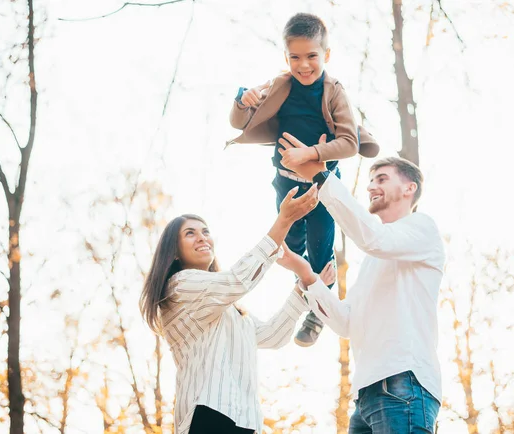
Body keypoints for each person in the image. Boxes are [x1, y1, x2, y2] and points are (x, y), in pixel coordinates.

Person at [228, 12, 379, 347]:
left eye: (312, 56)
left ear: (326, 54)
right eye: (295, 57)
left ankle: (320, 309)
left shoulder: (333, 92)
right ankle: (305, 286)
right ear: (286, 57)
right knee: (291, 248)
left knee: (321, 248)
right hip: (285, 183)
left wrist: (311, 154)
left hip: (322, 185)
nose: (304, 65)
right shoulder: (280, 85)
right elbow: (240, 122)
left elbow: (350, 142)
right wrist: (243, 100)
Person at [278, 132, 446, 433]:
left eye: (381, 179)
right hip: (367, 395)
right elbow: (346, 323)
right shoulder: (374, 259)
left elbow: (373, 238)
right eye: (370, 181)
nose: (371, 186)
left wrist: (320, 176)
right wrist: (305, 273)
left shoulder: (422, 229)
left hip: (404, 385)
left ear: (410, 188)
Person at [139, 184, 335, 434]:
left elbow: (272, 336)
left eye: (205, 231)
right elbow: (237, 281)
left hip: (243, 418)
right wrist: (283, 221)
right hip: (208, 414)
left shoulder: (228, 308)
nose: (202, 237)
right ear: (174, 251)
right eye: (190, 233)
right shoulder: (179, 286)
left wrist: (302, 288)